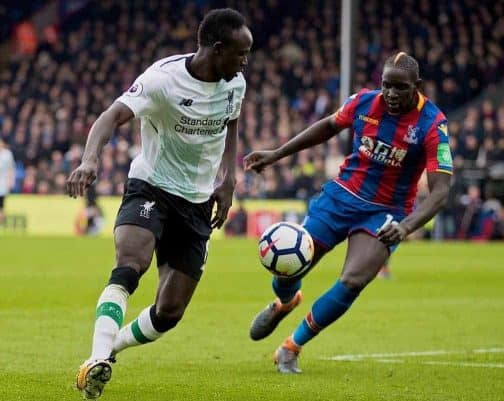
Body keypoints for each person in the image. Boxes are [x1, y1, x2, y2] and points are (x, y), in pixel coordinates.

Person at [66, 8, 252, 399]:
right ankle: (95, 359)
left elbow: (231, 124)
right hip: (151, 186)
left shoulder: (235, 83)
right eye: (240, 53)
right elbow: (110, 116)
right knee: (131, 266)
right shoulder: (162, 80)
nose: (245, 61)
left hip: (198, 201)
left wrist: (229, 179)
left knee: (169, 312)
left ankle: (111, 349)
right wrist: (89, 159)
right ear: (217, 49)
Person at [244, 52, 453, 373]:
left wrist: (406, 227)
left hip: (386, 212)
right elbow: (328, 126)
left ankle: (291, 346)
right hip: (341, 197)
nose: (392, 94)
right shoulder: (364, 103)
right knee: (288, 267)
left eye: (400, 88)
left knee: (353, 280)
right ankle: (285, 301)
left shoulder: (433, 124)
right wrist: (276, 154)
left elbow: (440, 191)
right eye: (387, 86)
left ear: (418, 86)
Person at [0, 138, 16, 224]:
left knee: (2, 205)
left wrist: (11, 181)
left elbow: (11, 169)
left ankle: (2, 223)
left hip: (3, 184)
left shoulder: (8, 154)